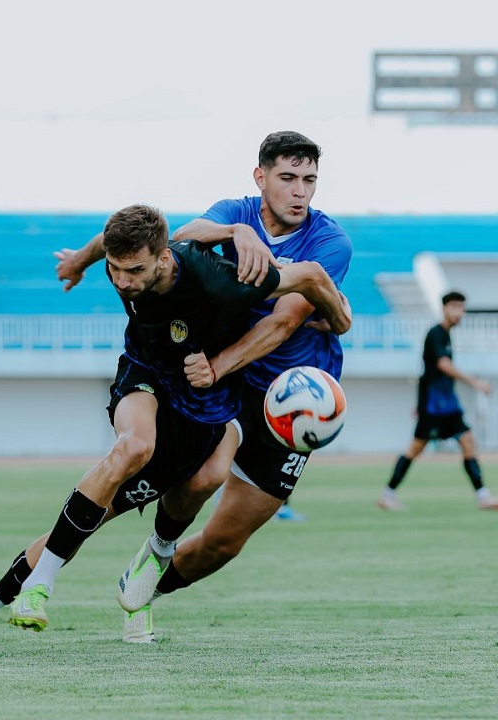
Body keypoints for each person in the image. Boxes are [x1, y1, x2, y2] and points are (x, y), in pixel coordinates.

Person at [0, 203, 350, 651]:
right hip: (144, 372)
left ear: (164, 256)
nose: (121, 282)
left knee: (197, 482)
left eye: (133, 270)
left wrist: (339, 315)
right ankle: (14, 596)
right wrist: (80, 259)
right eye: (114, 270)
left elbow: (309, 274)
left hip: (200, 397)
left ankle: (155, 551)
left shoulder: (217, 278)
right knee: (132, 447)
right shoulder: (125, 256)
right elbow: (107, 241)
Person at [107, 131, 354, 642]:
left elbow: (285, 322)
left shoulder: (330, 243)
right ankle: (143, 543)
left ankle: (146, 587)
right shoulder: (234, 212)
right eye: (287, 178)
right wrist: (233, 233)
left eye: (308, 180)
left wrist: (216, 364)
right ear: (260, 177)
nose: (299, 191)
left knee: (224, 542)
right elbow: (184, 237)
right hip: (233, 387)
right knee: (199, 477)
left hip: (291, 399)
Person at [377, 291, 498, 512]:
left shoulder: (446, 335)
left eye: (462, 308)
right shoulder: (436, 334)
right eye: (455, 307)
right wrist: (475, 382)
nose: (460, 313)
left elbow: (429, 371)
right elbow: (442, 366)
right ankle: (387, 494)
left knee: (468, 442)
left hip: (446, 404)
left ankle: (483, 496)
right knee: (415, 449)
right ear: (444, 308)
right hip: (435, 406)